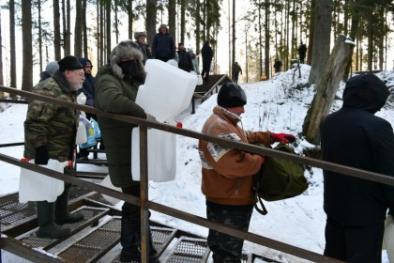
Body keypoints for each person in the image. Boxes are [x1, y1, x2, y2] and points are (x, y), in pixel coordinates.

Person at [198, 82, 295, 263]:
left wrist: (270, 136)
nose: (243, 110)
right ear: (230, 105)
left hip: (226, 198)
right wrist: (262, 157)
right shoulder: (218, 127)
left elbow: (243, 138)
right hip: (228, 204)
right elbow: (233, 165)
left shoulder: (225, 123)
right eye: (240, 105)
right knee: (228, 253)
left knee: (224, 250)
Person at [94, 40, 159, 263]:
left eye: (136, 62)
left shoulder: (127, 79)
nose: (134, 66)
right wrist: (143, 115)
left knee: (137, 203)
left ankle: (135, 250)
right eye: (130, 62)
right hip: (124, 151)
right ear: (119, 63)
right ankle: (138, 252)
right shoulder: (107, 79)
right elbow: (111, 99)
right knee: (136, 204)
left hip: (135, 150)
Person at [320, 73, 394, 262]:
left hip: (335, 208)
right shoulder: (378, 127)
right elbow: (389, 172)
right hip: (366, 215)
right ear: (373, 98)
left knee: (334, 257)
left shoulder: (329, 122)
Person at [22, 55, 85, 238]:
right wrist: (40, 148)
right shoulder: (49, 89)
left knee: (63, 180)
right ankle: (46, 225)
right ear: (67, 73)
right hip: (46, 148)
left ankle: (61, 214)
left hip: (62, 147)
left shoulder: (67, 89)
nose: (83, 77)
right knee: (46, 183)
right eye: (80, 74)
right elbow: (35, 122)